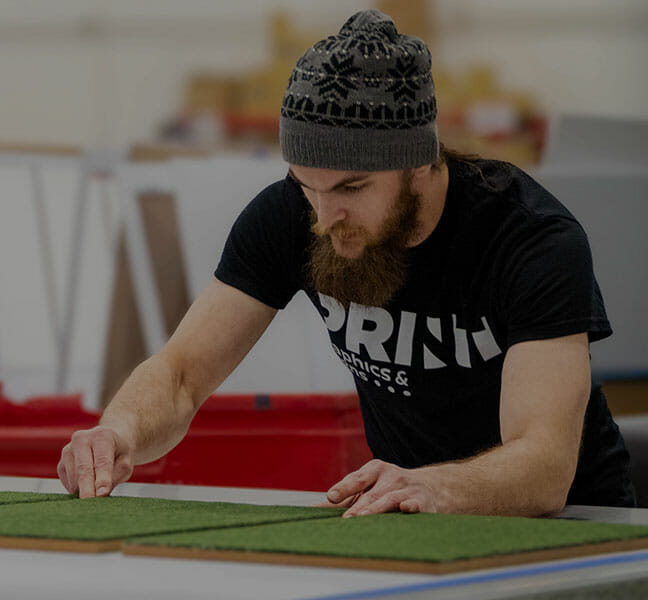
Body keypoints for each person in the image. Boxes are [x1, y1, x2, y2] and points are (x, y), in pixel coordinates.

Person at [56, 9, 634, 516]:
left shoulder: (529, 239)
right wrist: (118, 431)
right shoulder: (294, 214)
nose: (325, 216)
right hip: (413, 512)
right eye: (308, 186)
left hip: (578, 531)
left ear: (419, 164)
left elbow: (542, 467)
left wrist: (432, 486)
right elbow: (181, 375)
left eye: (352, 187)